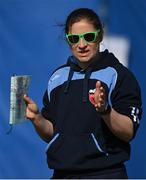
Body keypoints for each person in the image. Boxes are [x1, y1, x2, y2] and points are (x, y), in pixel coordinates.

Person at [24, 8, 142, 179]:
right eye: (74, 39)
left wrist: (105, 110)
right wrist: (37, 119)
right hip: (62, 174)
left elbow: (128, 131)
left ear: (100, 35)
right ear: (67, 40)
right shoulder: (57, 78)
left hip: (105, 174)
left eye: (88, 37)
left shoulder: (120, 76)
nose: (81, 45)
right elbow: (52, 133)